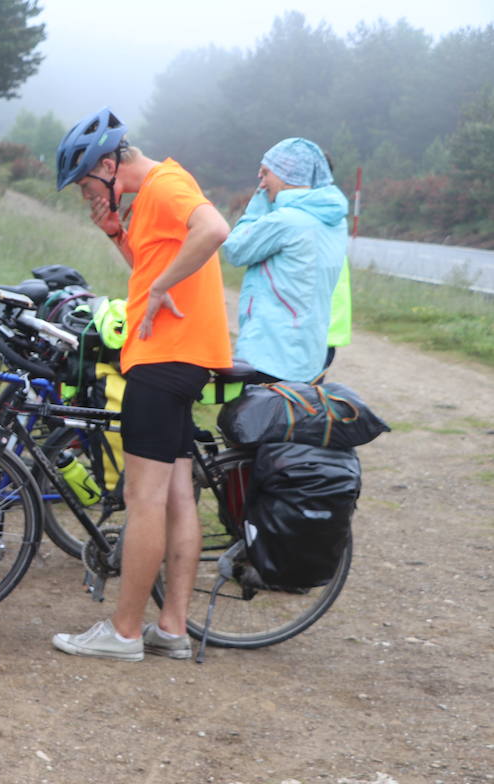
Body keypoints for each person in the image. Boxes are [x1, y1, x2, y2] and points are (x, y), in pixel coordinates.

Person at [48, 107, 232, 662]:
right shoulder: (150, 197)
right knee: (176, 497)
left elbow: (215, 229)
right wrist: (115, 233)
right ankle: (171, 628)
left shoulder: (166, 183)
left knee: (143, 496)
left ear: (109, 163)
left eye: (86, 183)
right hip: (181, 359)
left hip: (163, 359)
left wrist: (161, 290)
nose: (86, 193)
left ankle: (125, 632)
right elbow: (150, 268)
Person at [220, 137, 349, 383]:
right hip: (309, 353)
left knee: (256, 420)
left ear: (287, 176)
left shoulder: (287, 221)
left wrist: (258, 209)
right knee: (296, 418)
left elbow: (235, 250)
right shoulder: (333, 220)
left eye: (267, 172)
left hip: (270, 352)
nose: (261, 179)